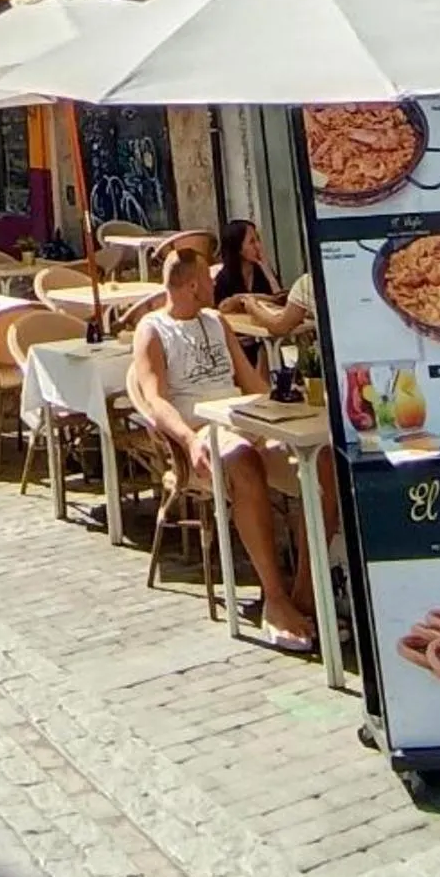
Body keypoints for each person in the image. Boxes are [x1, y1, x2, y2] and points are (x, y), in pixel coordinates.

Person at [132, 248, 320, 653]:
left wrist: (285, 412)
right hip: (201, 431)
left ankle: (306, 593)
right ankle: (275, 599)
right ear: (193, 285)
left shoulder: (216, 321)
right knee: (243, 462)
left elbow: (251, 383)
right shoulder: (152, 329)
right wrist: (189, 439)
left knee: (320, 463)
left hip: (246, 420)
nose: (216, 283)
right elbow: (155, 400)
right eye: (209, 278)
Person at [213, 217, 282, 313]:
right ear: (238, 248)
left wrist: (268, 271)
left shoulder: (262, 271)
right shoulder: (224, 278)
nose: (258, 246)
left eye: (258, 240)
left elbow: (280, 300)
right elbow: (222, 307)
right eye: (252, 242)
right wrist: (265, 298)